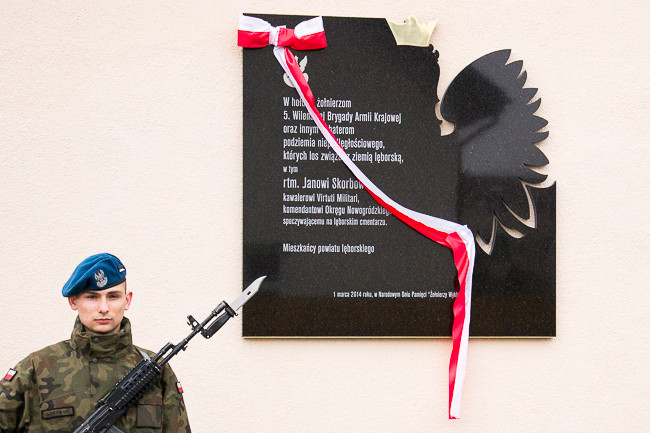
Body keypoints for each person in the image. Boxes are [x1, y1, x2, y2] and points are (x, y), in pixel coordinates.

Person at [0, 253, 191, 432]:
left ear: (127, 300)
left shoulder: (157, 371)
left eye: (113, 296)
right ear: (73, 302)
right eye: (92, 297)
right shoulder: (35, 369)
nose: (103, 308)